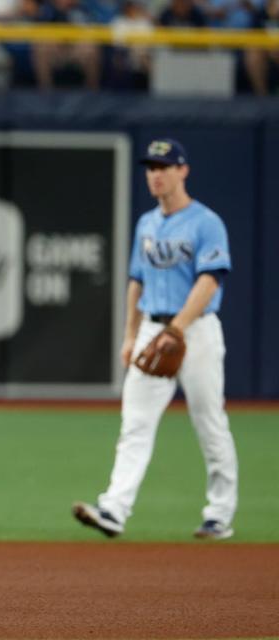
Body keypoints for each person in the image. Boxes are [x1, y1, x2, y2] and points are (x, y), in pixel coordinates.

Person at [73, 138, 238, 541]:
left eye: (164, 167)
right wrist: (131, 335)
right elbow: (136, 281)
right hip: (152, 327)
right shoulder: (147, 223)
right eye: (150, 168)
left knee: (209, 421)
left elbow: (209, 280)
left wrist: (176, 328)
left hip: (194, 330)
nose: (156, 175)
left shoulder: (206, 222)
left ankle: (219, 514)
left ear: (183, 171)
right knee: (135, 423)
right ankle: (114, 508)